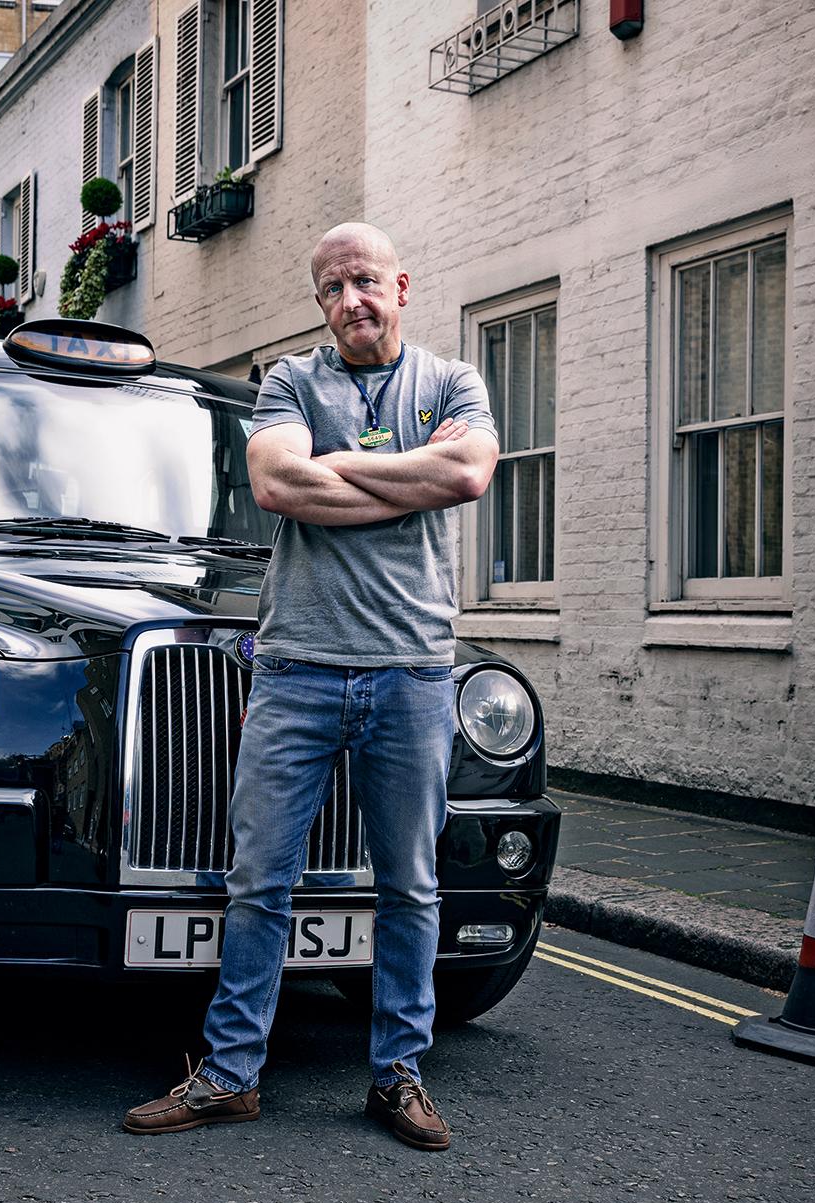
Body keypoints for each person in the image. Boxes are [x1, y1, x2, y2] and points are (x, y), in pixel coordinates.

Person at [123, 222, 499, 1151]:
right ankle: (230, 1074)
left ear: (402, 286)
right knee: (259, 882)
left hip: (412, 669)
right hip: (293, 669)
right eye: (331, 290)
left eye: (364, 282)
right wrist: (407, 481)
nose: (350, 303)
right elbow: (280, 488)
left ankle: (398, 1074)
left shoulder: (452, 383)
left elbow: (469, 471)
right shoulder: (291, 381)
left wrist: (339, 470)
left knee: (409, 886)